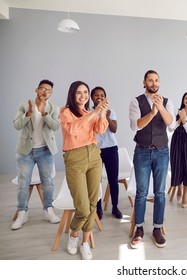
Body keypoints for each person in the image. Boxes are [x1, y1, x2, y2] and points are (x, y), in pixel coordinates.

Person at [60, 81, 109, 260]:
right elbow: (73, 130)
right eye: (79, 93)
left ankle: (85, 242)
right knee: (82, 207)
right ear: (72, 94)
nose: (83, 96)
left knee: (92, 202)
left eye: (85, 92)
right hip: (74, 158)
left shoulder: (90, 113)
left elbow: (101, 129)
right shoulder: (65, 112)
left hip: (94, 156)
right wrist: (95, 113)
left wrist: (101, 112)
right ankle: (74, 235)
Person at [129, 70, 175, 249]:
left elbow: (171, 124)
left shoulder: (167, 101)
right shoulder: (136, 101)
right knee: (141, 192)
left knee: (160, 192)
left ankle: (157, 229)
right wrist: (152, 112)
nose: (154, 83)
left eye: (157, 80)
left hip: (162, 152)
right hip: (142, 152)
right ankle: (139, 229)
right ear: (144, 82)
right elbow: (136, 125)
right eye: (151, 80)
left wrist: (160, 108)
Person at [12, 79, 61, 230]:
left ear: (51, 93)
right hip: (26, 150)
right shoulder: (24, 105)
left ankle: (48, 210)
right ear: (37, 90)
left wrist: (44, 113)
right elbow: (16, 125)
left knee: (47, 182)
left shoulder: (53, 108)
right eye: (42, 89)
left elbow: (56, 126)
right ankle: (22, 213)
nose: (45, 92)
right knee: (23, 183)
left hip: (45, 150)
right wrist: (28, 114)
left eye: (48, 90)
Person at [91, 86, 122, 220]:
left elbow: (114, 129)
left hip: (111, 149)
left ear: (105, 97)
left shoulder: (111, 111)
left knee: (113, 180)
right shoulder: (88, 112)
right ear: (92, 98)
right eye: (96, 95)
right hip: (95, 150)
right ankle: (98, 209)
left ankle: (115, 207)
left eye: (102, 95)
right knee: (96, 181)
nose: (99, 97)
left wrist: (107, 117)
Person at [169, 92, 187, 208]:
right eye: (186, 98)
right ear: (183, 100)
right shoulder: (177, 111)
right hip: (176, 141)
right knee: (177, 165)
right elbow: (171, 129)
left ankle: (185, 194)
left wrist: (185, 122)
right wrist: (179, 120)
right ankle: (179, 187)